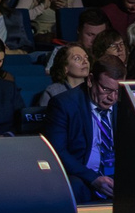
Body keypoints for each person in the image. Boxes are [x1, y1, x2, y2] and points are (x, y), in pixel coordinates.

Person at [44, 59, 124, 203]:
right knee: (74, 186)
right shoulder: (64, 105)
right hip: (83, 176)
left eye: (117, 90)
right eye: (106, 90)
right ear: (90, 80)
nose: (113, 97)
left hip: (117, 175)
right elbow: (57, 151)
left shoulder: (125, 104)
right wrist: (93, 178)